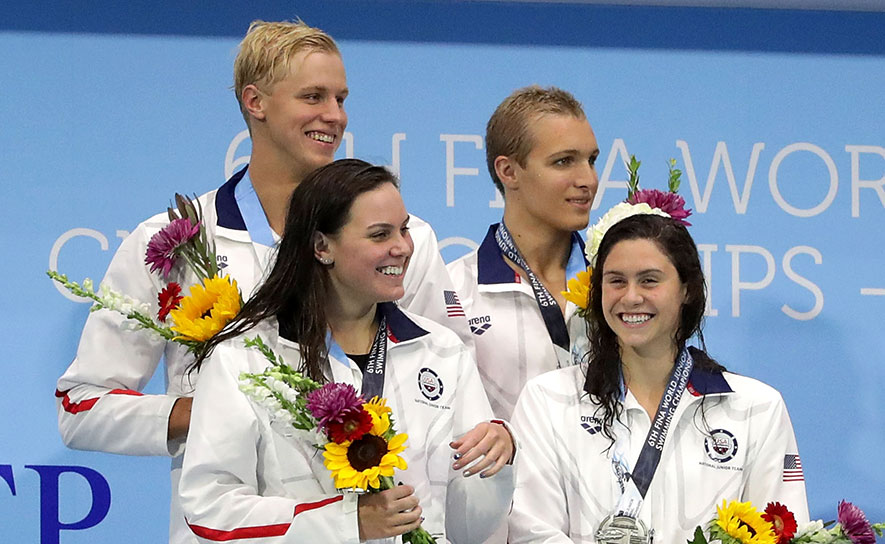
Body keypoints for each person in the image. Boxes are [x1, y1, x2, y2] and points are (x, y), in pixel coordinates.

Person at [55, 20, 467, 544]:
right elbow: (80, 407)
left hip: (385, 526)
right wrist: (211, 410)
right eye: (313, 96)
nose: (334, 116)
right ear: (256, 101)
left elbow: (439, 383)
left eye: (340, 98)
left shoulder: (408, 244)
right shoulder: (174, 243)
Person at [179, 159, 514, 543]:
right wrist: (344, 523)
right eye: (379, 235)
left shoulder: (441, 352)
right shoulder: (245, 358)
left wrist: (499, 462)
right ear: (322, 246)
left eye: (404, 230)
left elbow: (470, 528)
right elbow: (210, 510)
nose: (403, 248)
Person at [507, 206, 810, 543]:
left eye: (649, 280)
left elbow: (781, 532)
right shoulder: (547, 400)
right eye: (616, 281)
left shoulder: (757, 408)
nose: (631, 297)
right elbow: (530, 530)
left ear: (687, 289)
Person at [447, 85, 599, 420]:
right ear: (509, 171)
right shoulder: (454, 292)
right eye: (564, 162)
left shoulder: (616, 287)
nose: (587, 178)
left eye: (591, 160)